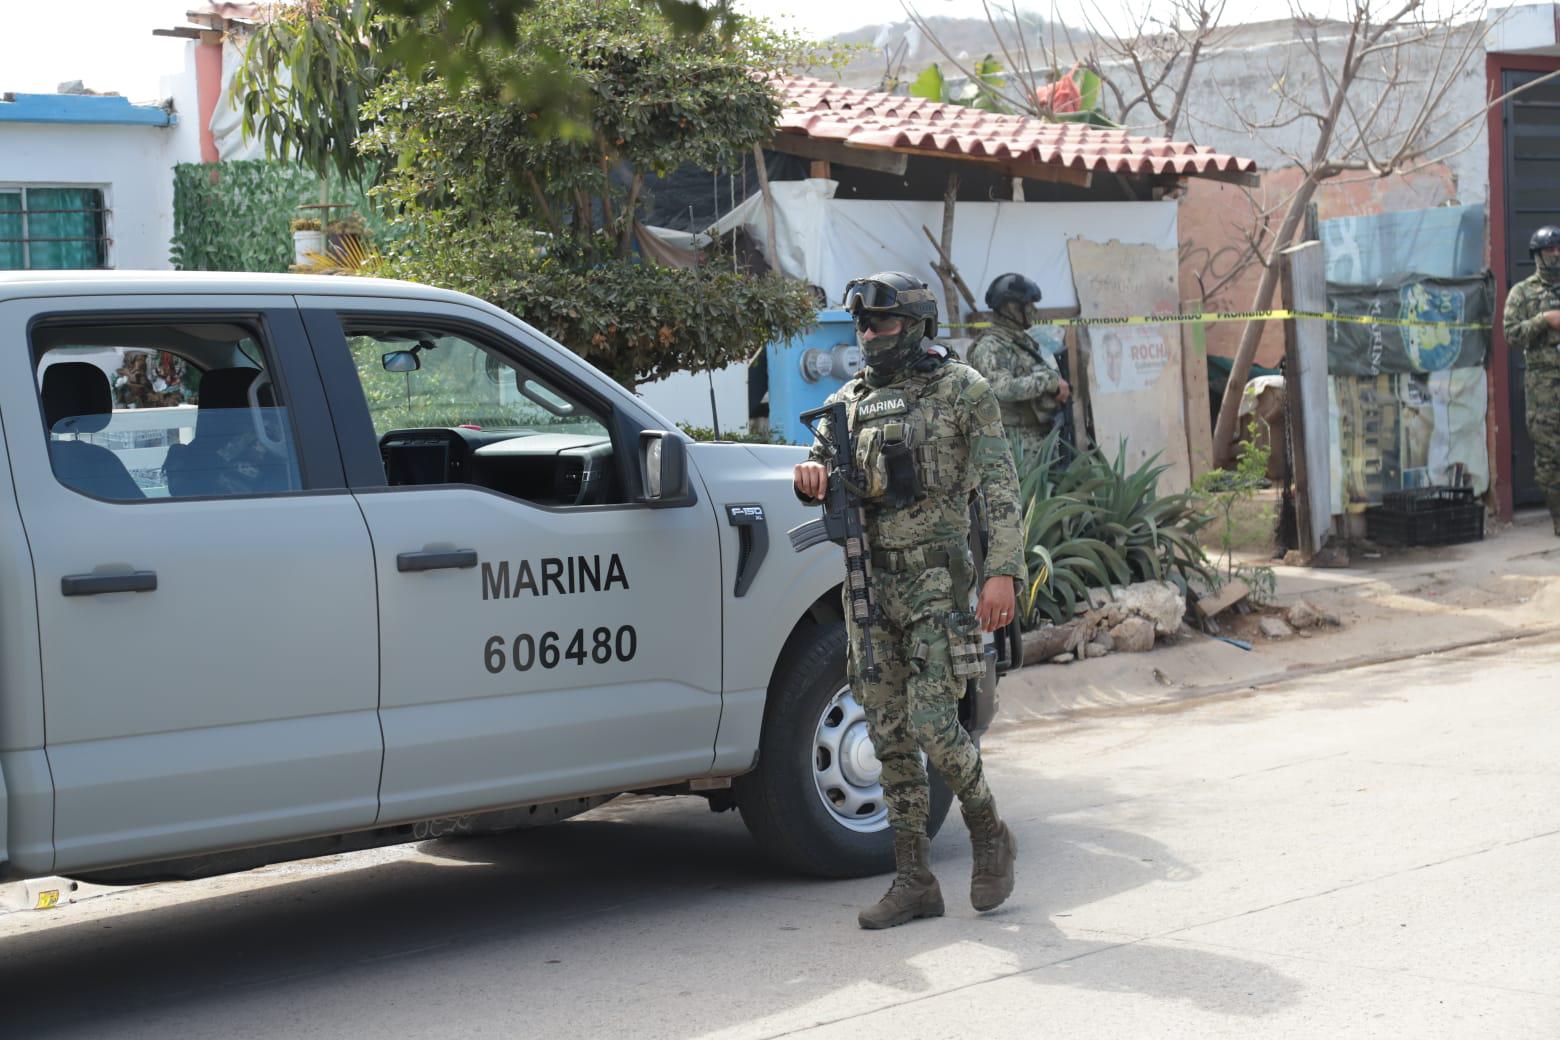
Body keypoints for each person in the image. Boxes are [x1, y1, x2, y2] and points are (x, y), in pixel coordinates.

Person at [793, 271, 1025, 929]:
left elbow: (1000, 489)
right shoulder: (847, 402)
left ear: (916, 324)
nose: (870, 334)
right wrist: (808, 479)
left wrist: (1001, 572)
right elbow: (816, 469)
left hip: (938, 588)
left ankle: (988, 831)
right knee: (888, 731)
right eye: (862, 324)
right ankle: (914, 879)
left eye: (883, 322)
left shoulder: (962, 391)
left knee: (931, 723)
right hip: (870, 587)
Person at [968, 272, 1072, 470]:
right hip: (1014, 446)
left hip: (1038, 440)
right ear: (1012, 308)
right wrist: (1048, 381)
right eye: (1029, 305)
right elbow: (1002, 388)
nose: (1034, 310)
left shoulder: (1020, 341)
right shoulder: (990, 346)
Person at [1503, 225, 1560, 535]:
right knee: (1549, 459)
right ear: (1537, 255)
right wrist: (1544, 320)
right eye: (1550, 250)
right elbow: (1510, 335)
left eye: (1559, 249)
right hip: (1544, 392)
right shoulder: (1522, 293)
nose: (1556, 254)